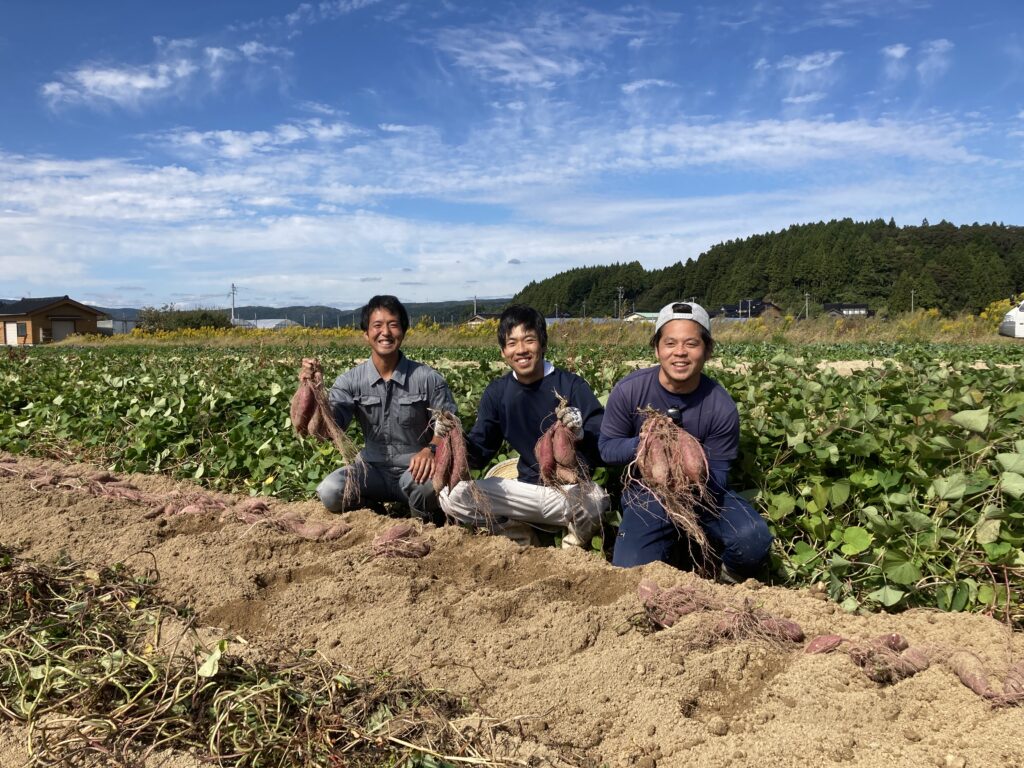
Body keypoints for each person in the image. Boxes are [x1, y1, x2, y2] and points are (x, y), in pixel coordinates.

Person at [598, 301, 772, 581]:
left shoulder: (719, 404)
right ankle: (668, 556)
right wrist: (644, 445)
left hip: (706, 494)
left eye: (691, 343)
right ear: (657, 349)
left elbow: (721, 474)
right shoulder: (629, 390)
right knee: (630, 571)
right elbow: (607, 449)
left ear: (707, 350)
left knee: (752, 542)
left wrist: (685, 467)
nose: (680, 352)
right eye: (670, 343)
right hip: (648, 493)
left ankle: (723, 580)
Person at [437, 305, 609, 548]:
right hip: (522, 491)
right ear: (503, 352)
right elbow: (480, 450)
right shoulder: (498, 393)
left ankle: (572, 547)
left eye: (529, 340)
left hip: (567, 492)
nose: (521, 350)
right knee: (452, 496)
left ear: (543, 344)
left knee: (596, 501)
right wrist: (452, 437)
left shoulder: (571, 386)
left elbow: (603, 444)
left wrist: (580, 432)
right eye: (512, 343)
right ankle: (518, 535)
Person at [316, 295, 455, 524]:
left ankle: (424, 522)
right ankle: (373, 512)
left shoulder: (428, 378)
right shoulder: (350, 381)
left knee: (428, 489)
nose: (386, 333)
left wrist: (430, 450)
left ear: (403, 331)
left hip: (414, 471)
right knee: (330, 490)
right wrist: (315, 394)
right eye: (377, 326)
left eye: (393, 325)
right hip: (372, 471)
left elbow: (449, 425)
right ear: (366, 334)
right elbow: (331, 428)